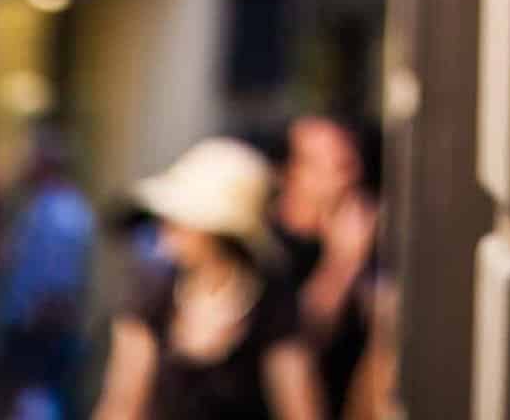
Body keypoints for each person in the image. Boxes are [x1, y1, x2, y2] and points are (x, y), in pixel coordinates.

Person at [92, 138, 323, 420]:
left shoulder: (271, 306)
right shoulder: (153, 294)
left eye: (181, 219)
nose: (168, 228)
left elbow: (298, 407)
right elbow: (123, 405)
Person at [272, 117, 381, 419]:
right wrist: (342, 264)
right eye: (336, 166)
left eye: (350, 162)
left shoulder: (367, 235)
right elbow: (297, 340)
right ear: (291, 173)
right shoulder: (270, 252)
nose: (351, 177)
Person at [0, 127, 95, 419]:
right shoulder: (41, 205)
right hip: (30, 329)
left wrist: (35, 334)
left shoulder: (64, 213)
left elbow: (59, 286)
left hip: (40, 334)